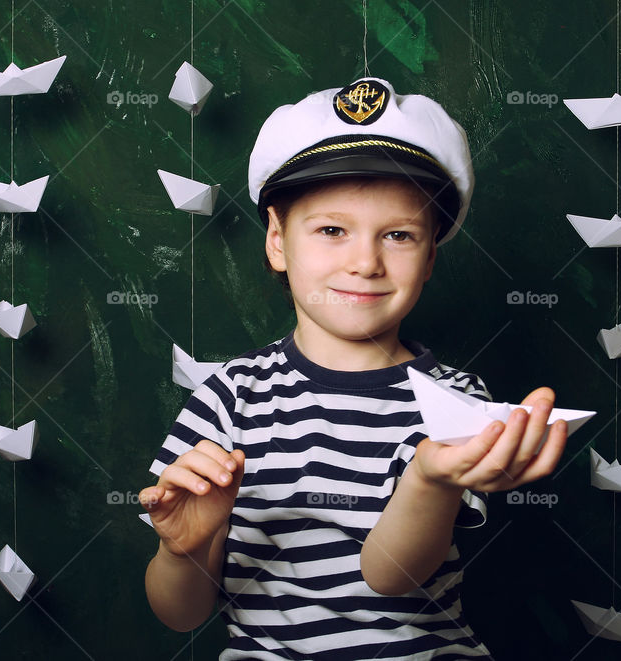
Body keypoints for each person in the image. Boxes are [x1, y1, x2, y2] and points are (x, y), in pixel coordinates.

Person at [140, 76, 568, 660]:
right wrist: (183, 550)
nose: (366, 262)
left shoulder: (455, 400)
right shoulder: (230, 396)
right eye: (332, 230)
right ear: (277, 241)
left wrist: (430, 480)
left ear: (430, 257)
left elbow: (392, 577)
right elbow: (180, 614)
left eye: (399, 235)